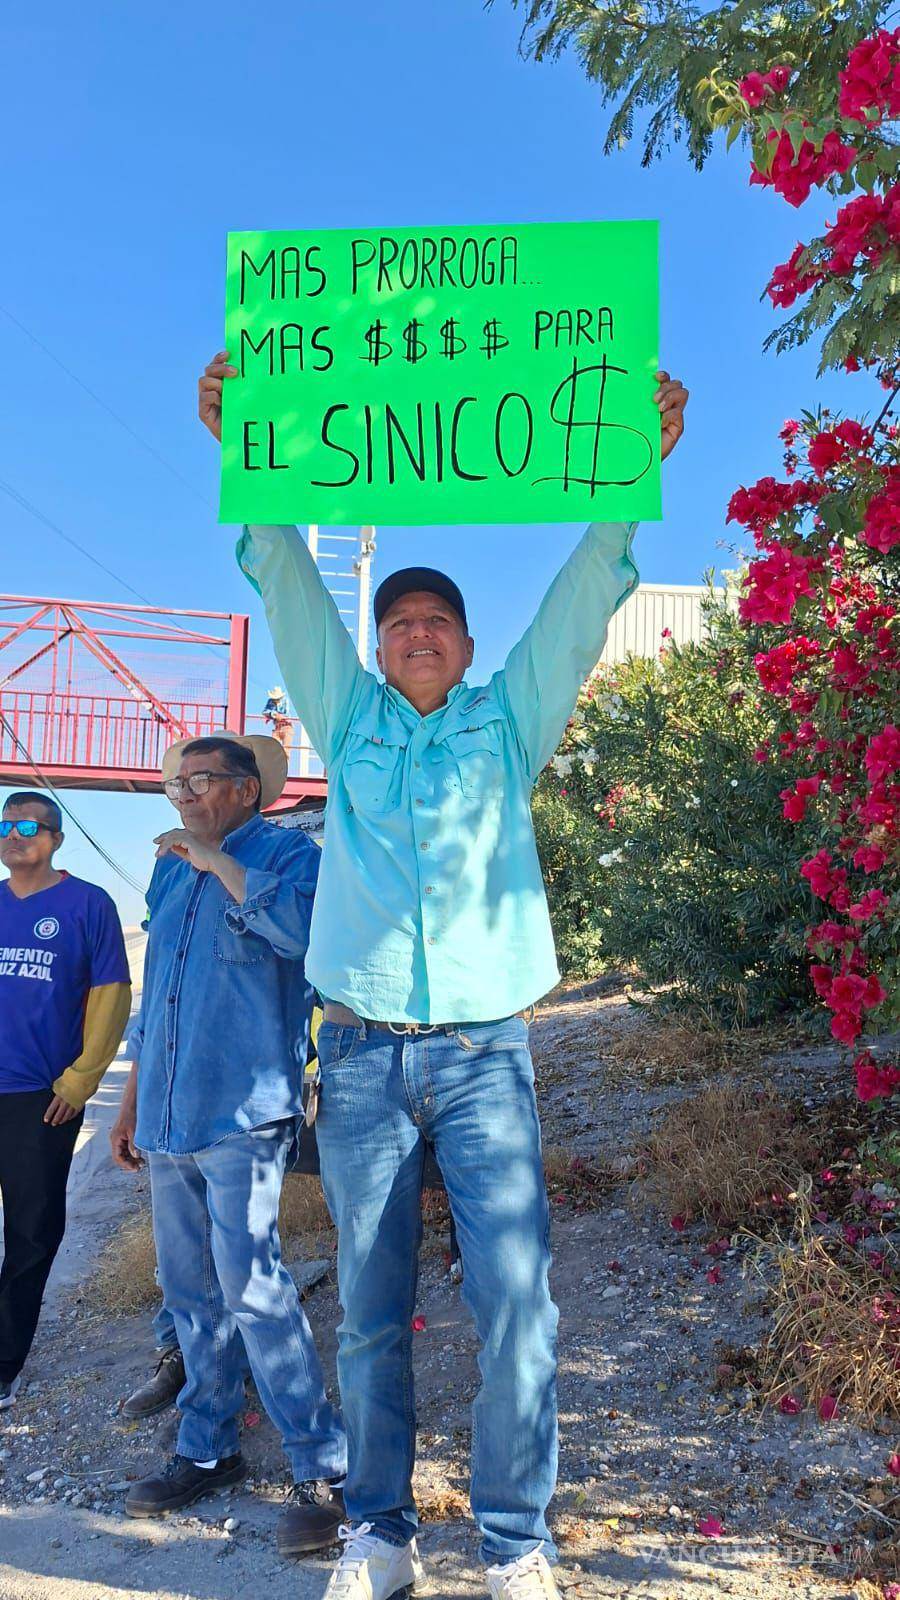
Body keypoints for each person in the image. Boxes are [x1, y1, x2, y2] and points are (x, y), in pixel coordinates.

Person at [199, 351, 688, 1600]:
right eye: (397, 622)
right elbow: (291, 581)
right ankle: (380, 1534)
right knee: (368, 1312)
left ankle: (518, 1544)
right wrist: (248, 447)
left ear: (468, 646)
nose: (415, 632)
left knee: (519, 1304)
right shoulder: (350, 716)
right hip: (358, 1055)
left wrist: (631, 477)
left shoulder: (508, 718)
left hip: (482, 1054)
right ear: (378, 647)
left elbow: (584, 597)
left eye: (437, 621)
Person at [109, 732, 346, 1553]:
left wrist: (216, 861)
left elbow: (311, 939)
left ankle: (322, 1464)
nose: (185, 797)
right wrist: (131, 1099)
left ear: (247, 790)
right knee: (189, 1293)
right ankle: (207, 1450)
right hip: (169, 1114)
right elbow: (158, 994)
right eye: (177, 785)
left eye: (200, 782)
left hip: (244, 1114)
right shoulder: (170, 869)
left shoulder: (289, 855)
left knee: (255, 1287)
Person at [0, 790, 131, 1408]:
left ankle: (5, 1361)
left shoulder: (87, 904)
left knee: (30, 1232)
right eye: (5, 824)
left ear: (55, 838)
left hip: (39, 1098)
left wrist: (81, 1081)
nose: (14, 833)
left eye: (29, 824)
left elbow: (110, 995)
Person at [263, 685, 294, 755]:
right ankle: (275, 765)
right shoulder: (270, 701)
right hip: (277, 727)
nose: (275, 700)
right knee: (274, 749)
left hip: (287, 727)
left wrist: (273, 714)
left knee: (286, 752)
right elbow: (264, 712)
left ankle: (285, 765)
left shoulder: (285, 700)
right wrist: (274, 714)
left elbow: (285, 714)